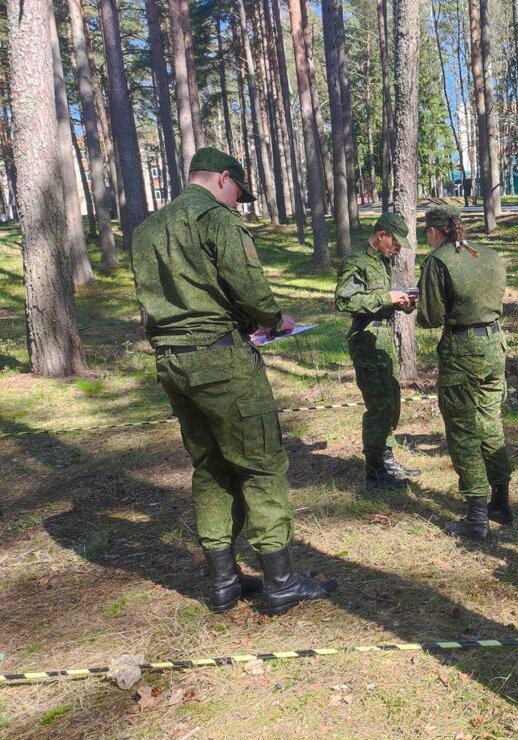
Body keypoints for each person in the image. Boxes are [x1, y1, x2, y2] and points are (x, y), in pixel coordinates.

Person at [131, 147, 336, 616]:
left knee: (210, 467)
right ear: (223, 178)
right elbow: (248, 287)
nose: (236, 203)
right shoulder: (217, 220)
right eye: (237, 194)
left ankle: (224, 582)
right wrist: (274, 319)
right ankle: (280, 583)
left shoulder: (147, 229)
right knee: (260, 466)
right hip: (221, 361)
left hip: (172, 362)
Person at [416, 206, 512, 539]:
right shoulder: (489, 255)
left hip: (462, 350)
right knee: (490, 422)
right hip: (495, 345)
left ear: (433, 231)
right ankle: (501, 502)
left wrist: (416, 303)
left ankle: (476, 517)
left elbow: (431, 317)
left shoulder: (438, 261)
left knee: (463, 431)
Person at [335, 212, 421, 488]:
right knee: (379, 405)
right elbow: (344, 300)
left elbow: (381, 299)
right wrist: (386, 298)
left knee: (391, 402)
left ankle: (387, 459)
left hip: (383, 338)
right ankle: (375, 471)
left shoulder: (383, 262)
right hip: (366, 339)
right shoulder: (356, 261)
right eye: (394, 243)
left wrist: (402, 302)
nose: (397, 249)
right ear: (381, 234)